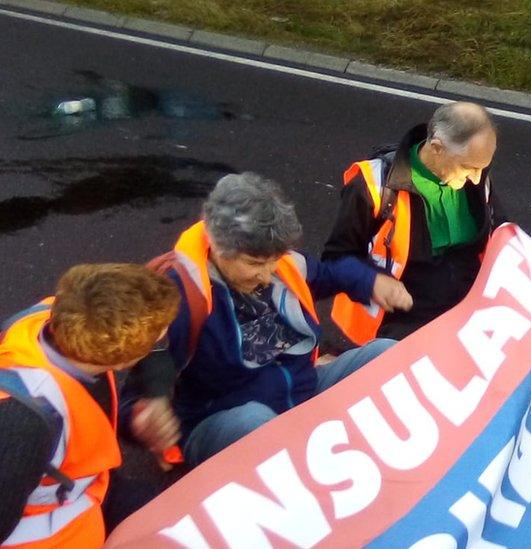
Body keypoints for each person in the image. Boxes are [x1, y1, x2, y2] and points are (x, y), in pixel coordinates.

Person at [120, 173, 413, 468]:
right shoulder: (174, 295)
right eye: (255, 264)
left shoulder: (281, 263)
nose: (266, 274)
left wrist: (372, 282)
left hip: (303, 394)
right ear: (216, 245)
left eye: (274, 259)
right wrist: (145, 417)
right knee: (257, 424)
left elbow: (327, 273)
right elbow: (133, 394)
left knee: (387, 353)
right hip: (226, 423)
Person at [0, 263, 180, 548]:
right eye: (157, 335)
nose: (163, 336)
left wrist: (155, 395)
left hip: (86, 487)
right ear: (120, 361)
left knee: (173, 516)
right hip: (50, 530)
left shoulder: (63, 314)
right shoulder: (23, 426)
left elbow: (152, 345)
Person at [322, 101, 503, 345]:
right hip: (398, 328)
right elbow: (336, 259)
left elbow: (503, 234)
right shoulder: (373, 186)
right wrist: (373, 281)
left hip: (465, 319)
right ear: (437, 147)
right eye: (468, 167)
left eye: (484, 167)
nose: (477, 177)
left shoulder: (476, 180)